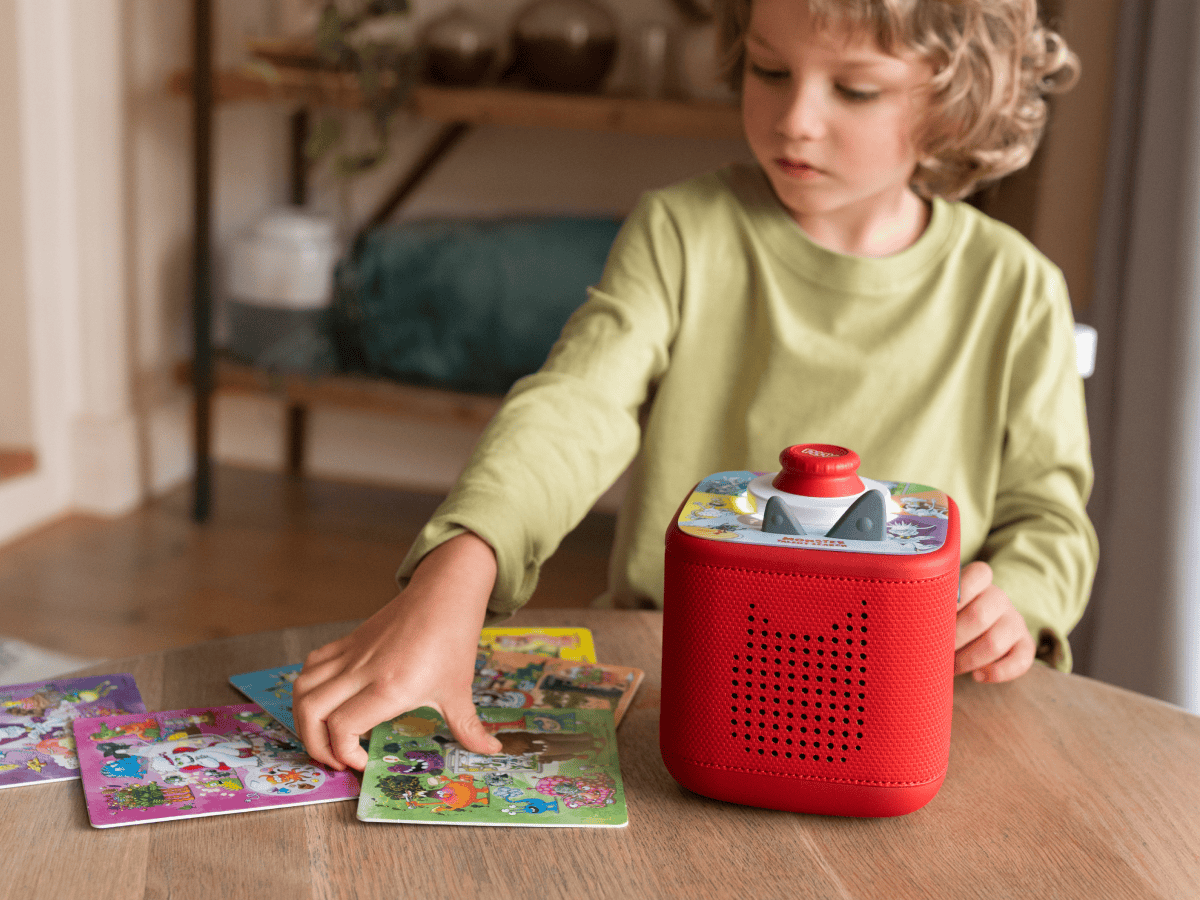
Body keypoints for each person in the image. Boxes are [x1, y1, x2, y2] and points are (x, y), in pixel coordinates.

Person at [293, 0, 1098, 772]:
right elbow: (577, 404)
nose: (795, 119)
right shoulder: (682, 231)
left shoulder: (1017, 290)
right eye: (769, 69)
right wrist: (462, 567)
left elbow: (1049, 519)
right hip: (681, 681)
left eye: (854, 88)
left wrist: (1016, 602)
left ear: (956, 100)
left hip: (896, 708)